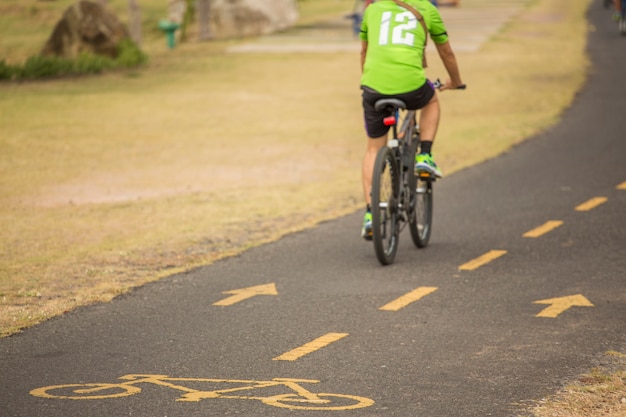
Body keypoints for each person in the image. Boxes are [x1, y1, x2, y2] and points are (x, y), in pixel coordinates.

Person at [359, 0, 464, 240]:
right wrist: (455, 81)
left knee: (374, 149)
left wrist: (369, 83)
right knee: (431, 100)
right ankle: (425, 154)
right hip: (411, 87)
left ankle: (370, 214)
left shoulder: (372, 10)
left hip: (374, 88)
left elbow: (364, 52)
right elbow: (446, 51)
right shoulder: (427, 9)